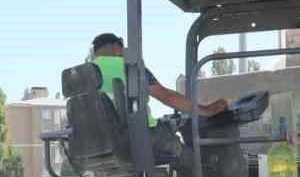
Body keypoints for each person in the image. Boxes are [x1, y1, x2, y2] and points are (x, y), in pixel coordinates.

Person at [89, 32, 228, 122]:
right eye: (122, 48)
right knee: (186, 157)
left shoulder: (84, 73)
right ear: (115, 47)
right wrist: (205, 111)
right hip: (135, 136)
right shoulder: (127, 66)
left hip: (99, 140)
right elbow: (167, 96)